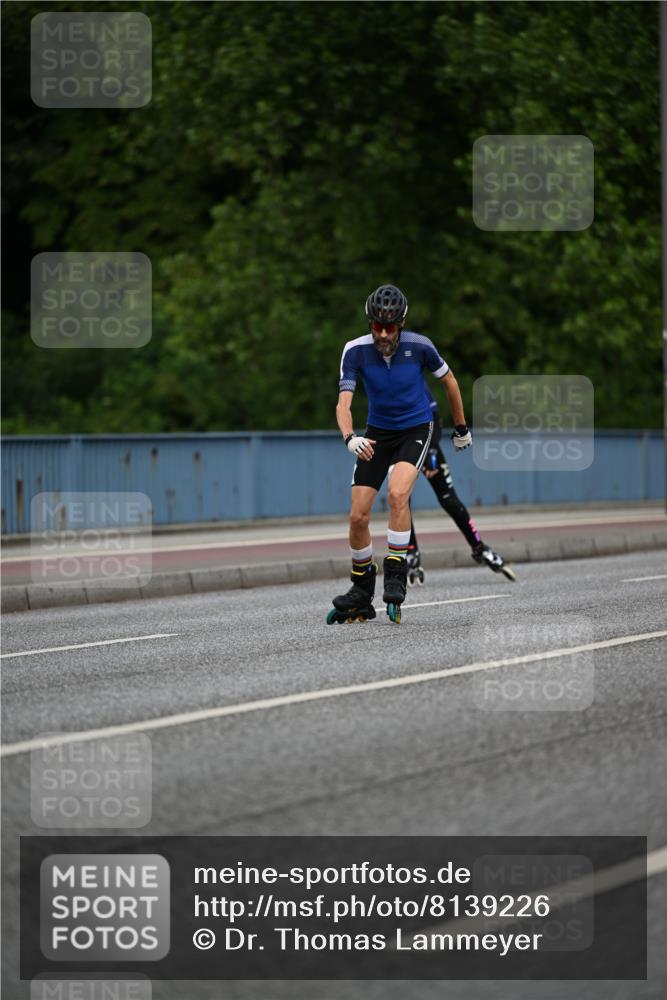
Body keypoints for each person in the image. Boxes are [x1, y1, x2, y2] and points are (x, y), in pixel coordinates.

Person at [327, 283, 472, 624]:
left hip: (415, 429)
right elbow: (343, 402)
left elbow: (450, 382)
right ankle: (361, 589)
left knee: (397, 494)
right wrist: (350, 438)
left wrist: (461, 428)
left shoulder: (421, 347)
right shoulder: (355, 351)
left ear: (401, 324)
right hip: (377, 433)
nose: (382, 333)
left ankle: (395, 574)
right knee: (357, 516)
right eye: (376, 326)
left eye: (389, 327)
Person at [405, 384, 516, 585]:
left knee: (449, 499)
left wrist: (431, 450)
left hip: (424, 443)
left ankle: (479, 546)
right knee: (400, 498)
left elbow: (435, 418)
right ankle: (410, 551)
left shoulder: (412, 371)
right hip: (398, 446)